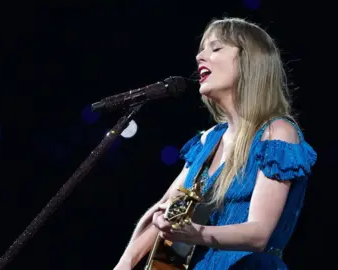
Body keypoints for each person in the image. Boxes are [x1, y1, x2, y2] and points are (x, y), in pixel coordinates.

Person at [113, 17, 317, 270]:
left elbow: (258, 234)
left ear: (249, 61)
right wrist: (125, 263)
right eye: (201, 49)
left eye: (216, 48)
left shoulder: (277, 133)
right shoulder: (208, 141)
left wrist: (194, 232)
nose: (200, 57)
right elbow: (166, 206)